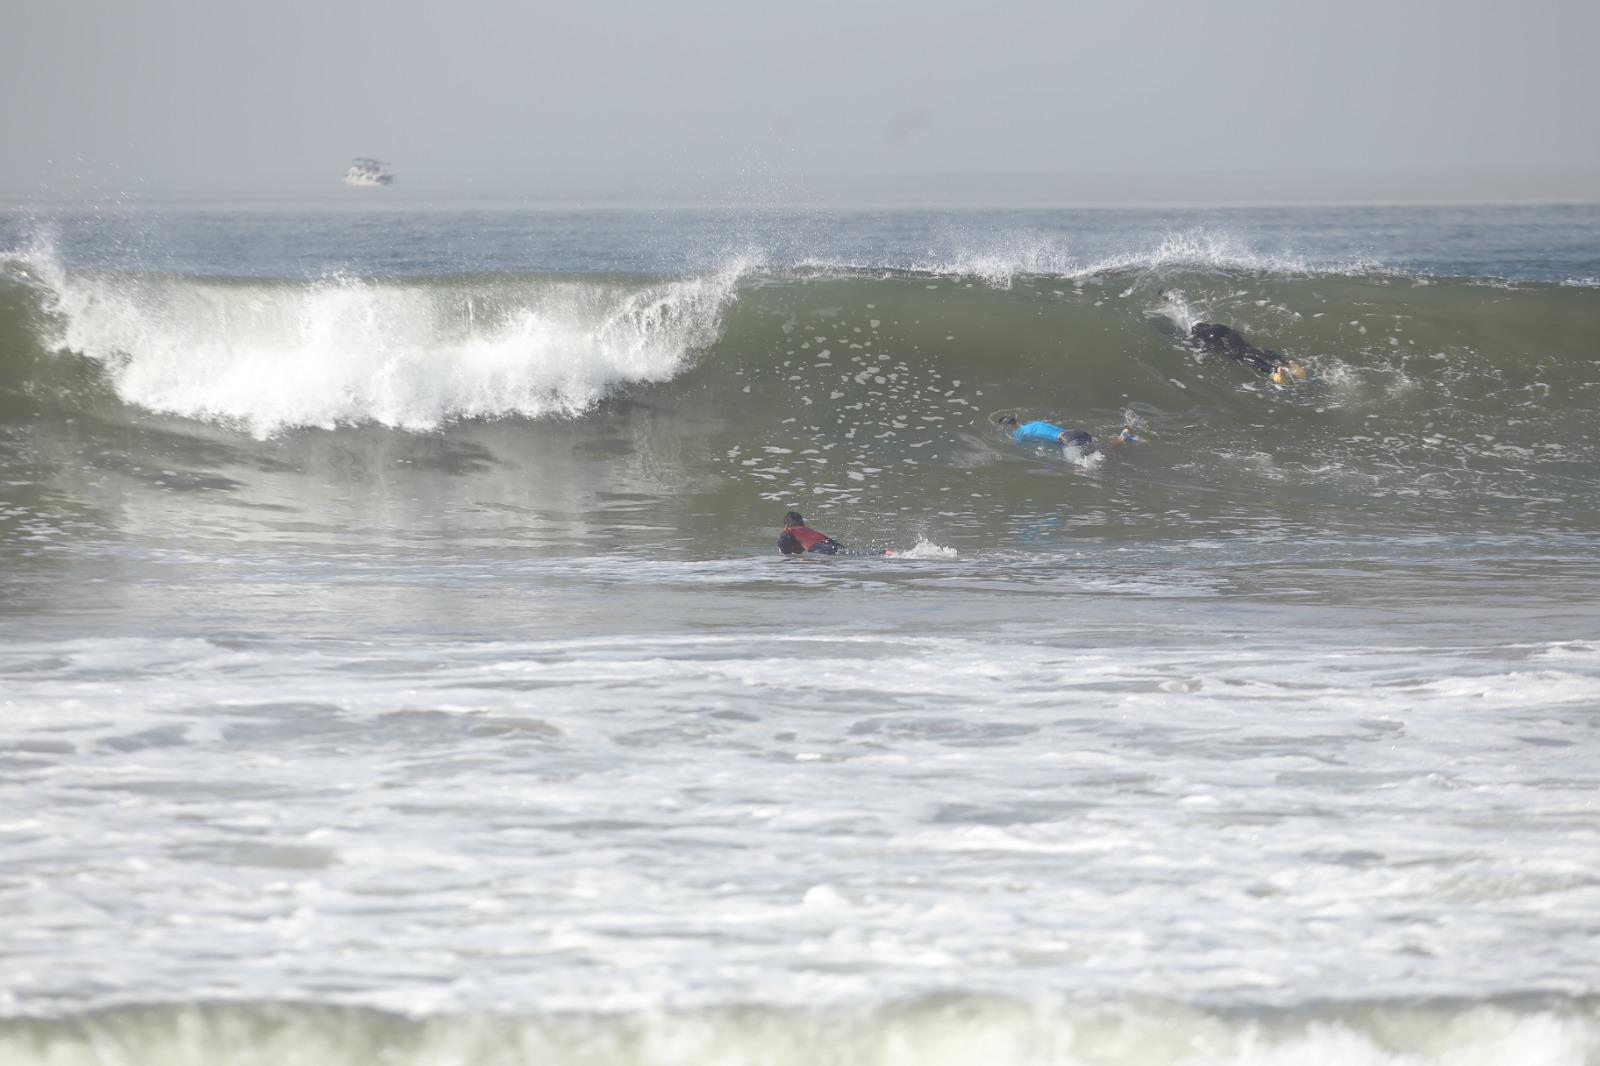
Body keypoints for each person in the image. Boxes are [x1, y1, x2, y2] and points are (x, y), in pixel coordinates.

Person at [1186, 323, 1309, 383]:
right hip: (1232, 336)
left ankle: (1273, 370)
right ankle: (1286, 362)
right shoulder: (1217, 326)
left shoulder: (1200, 336)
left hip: (1221, 342)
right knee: (1252, 349)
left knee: (1242, 355)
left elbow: (1202, 346)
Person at [994, 415, 1137, 453]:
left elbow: (1015, 447)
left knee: (1080, 466)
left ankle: (1122, 438)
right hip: (1074, 433)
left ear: (1008, 426)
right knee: (1101, 450)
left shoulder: (1019, 433)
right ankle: (1122, 437)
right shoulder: (1034, 423)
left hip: (1067, 440)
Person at [779, 511, 846, 556]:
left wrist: (787, 556)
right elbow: (834, 543)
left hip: (818, 549)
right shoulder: (810, 531)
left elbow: (783, 541)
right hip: (834, 546)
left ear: (786, 527)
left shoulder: (789, 531)